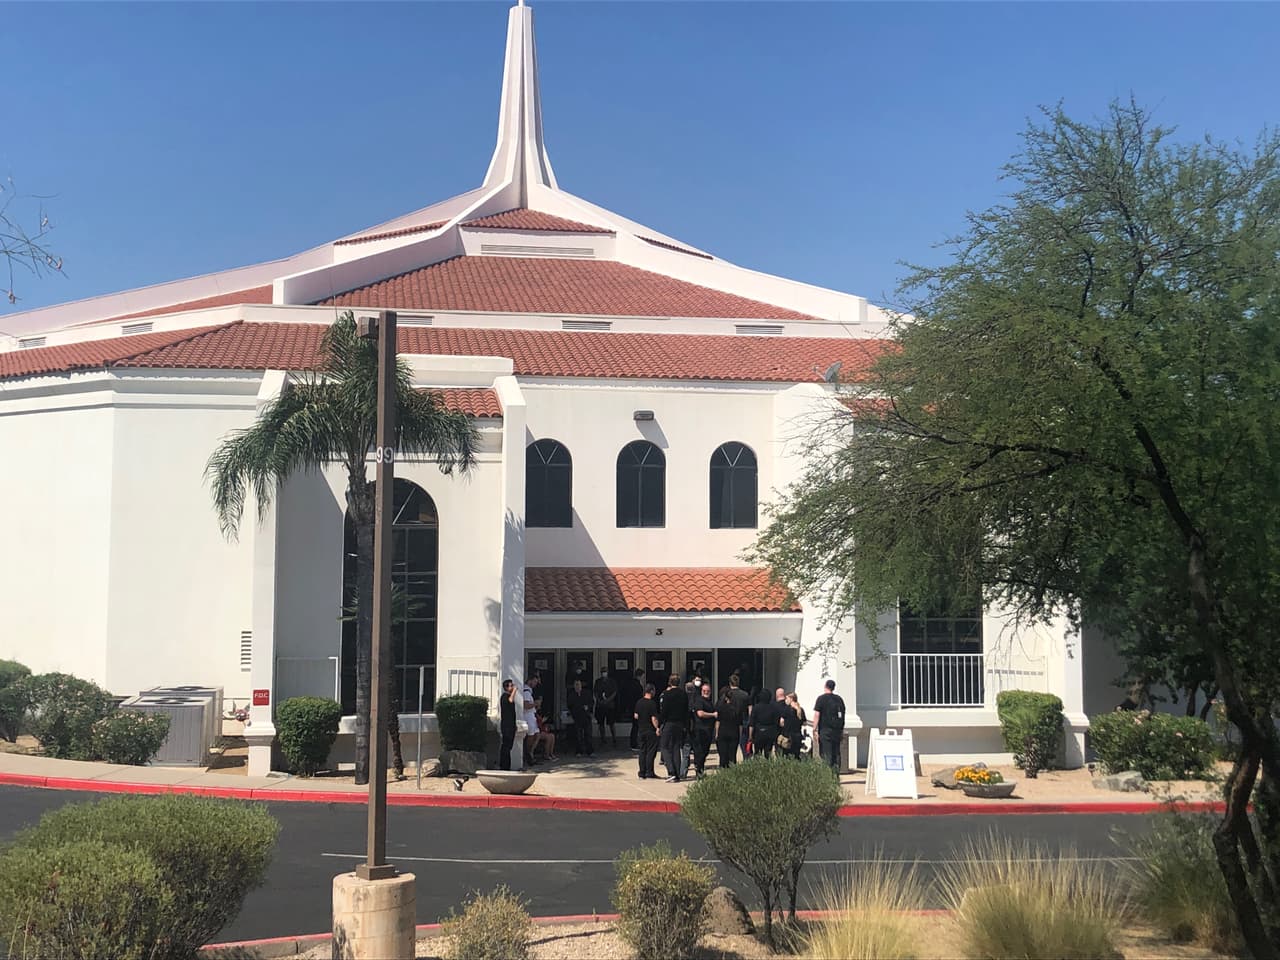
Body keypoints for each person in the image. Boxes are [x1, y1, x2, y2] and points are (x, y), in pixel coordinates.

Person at [658, 673, 689, 782]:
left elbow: (664, 711)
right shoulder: (684, 694)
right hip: (680, 723)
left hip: (669, 723)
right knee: (676, 748)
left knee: (664, 746)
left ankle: (671, 771)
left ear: (670, 682)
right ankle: (677, 773)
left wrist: (660, 724)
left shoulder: (667, 694)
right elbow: (686, 711)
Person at [812, 679, 846, 774]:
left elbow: (817, 715)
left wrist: (814, 728)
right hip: (837, 730)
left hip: (825, 729)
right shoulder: (839, 699)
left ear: (825, 686)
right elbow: (843, 715)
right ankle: (836, 774)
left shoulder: (821, 699)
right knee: (836, 753)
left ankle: (827, 775)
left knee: (826, 753)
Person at [717, 674, 750, 767]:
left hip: (726, 725)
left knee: (724, 752)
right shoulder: (745, 695)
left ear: (730, 683)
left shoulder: (725, 695)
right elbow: (749, 709)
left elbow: (718, 710)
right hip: (741, 721)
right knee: (737, 749)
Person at [690, 681, 717, 778]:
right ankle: (699, 771)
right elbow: (700, 713)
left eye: (708, 691)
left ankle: (700, 768)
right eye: (704, 690)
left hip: (708, 730)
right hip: (700, 730)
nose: (706, 692)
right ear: (701, 691)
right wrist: (713, 715)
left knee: (705, 751)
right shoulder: (699, 701)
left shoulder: (709, 702)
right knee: (700, 752)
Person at [634, 683, 660, 778]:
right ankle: (649, 771)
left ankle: (642, 772)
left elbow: (636, 716)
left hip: (641, 730)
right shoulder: (652, 703)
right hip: (650, 730)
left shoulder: (639, 702)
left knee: (642, 751)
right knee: (651, 752)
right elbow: (654, 718)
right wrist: (657, 728)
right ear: (651, 691)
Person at [750, 688, 784, 758]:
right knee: (768, 753)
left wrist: (750, 736)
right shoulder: (774, 707)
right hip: (770, 733)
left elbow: (752, 723)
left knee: (757, 753)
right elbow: (776, 722)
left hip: (758, 733)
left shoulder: (756, 707)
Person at [567, 678, 594, 756]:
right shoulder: (571, 695)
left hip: (586, 716)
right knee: (578, 735)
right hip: (577, 717)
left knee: (588, 734)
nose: (577, 686)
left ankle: (590, 751)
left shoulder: (587, 693)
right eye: (576, 685)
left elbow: (592, 702)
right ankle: (579, 751)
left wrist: (588, 707)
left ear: (581, 685)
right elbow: (570, 705)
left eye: (578, 684)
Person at [593, 668, 619, 746]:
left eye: (605, 672)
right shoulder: (598, 682)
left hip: (610, 705)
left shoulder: (612, 681)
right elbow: (595, 692)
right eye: (602, 672)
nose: (604, 673)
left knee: (611, 723)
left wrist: (608, 700)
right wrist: (599, 700)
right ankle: (603, 739)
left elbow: (615, 692)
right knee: (601, 723)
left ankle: (614, 738)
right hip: (600, 705)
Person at [521, 673, 541, 767]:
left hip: (532, 715)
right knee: (531, 735)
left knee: (537, 735)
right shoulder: (526, 692)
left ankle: (531, 754)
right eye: (535, 682)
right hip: (528, 716)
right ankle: (528, 754)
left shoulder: (530, 691)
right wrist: (535, 704)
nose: (536, 684)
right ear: (530, 680)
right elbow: (525, 705)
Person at [499, 678, 518, 770]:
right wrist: (514, 690)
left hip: (511, 725)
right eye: (511, 685)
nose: (513, 686)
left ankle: (506, 765)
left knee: (508, 746)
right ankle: (504, 766)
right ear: (506, 687)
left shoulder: (508, 696)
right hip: (507, 726)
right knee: (506, 746)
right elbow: (510, 700)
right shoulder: (505, 696)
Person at [782, 691, 807, 758]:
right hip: (797, 736)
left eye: (787, 698)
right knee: (796, 755)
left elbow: (781, 721)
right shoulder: (801, 710)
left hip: (788, 736)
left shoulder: (787, 709)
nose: (785, 700)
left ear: (791, 699)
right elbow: (804, 723)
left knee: (786, 755)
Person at [626, 668, 646, 750]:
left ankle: (634, 742)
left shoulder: (630, 684)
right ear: (640, 675)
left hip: (631, 707)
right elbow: (638, 698)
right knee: (636, 726)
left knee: (635, 726)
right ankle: (634, 743)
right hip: (636, 708)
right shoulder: (637, 685)